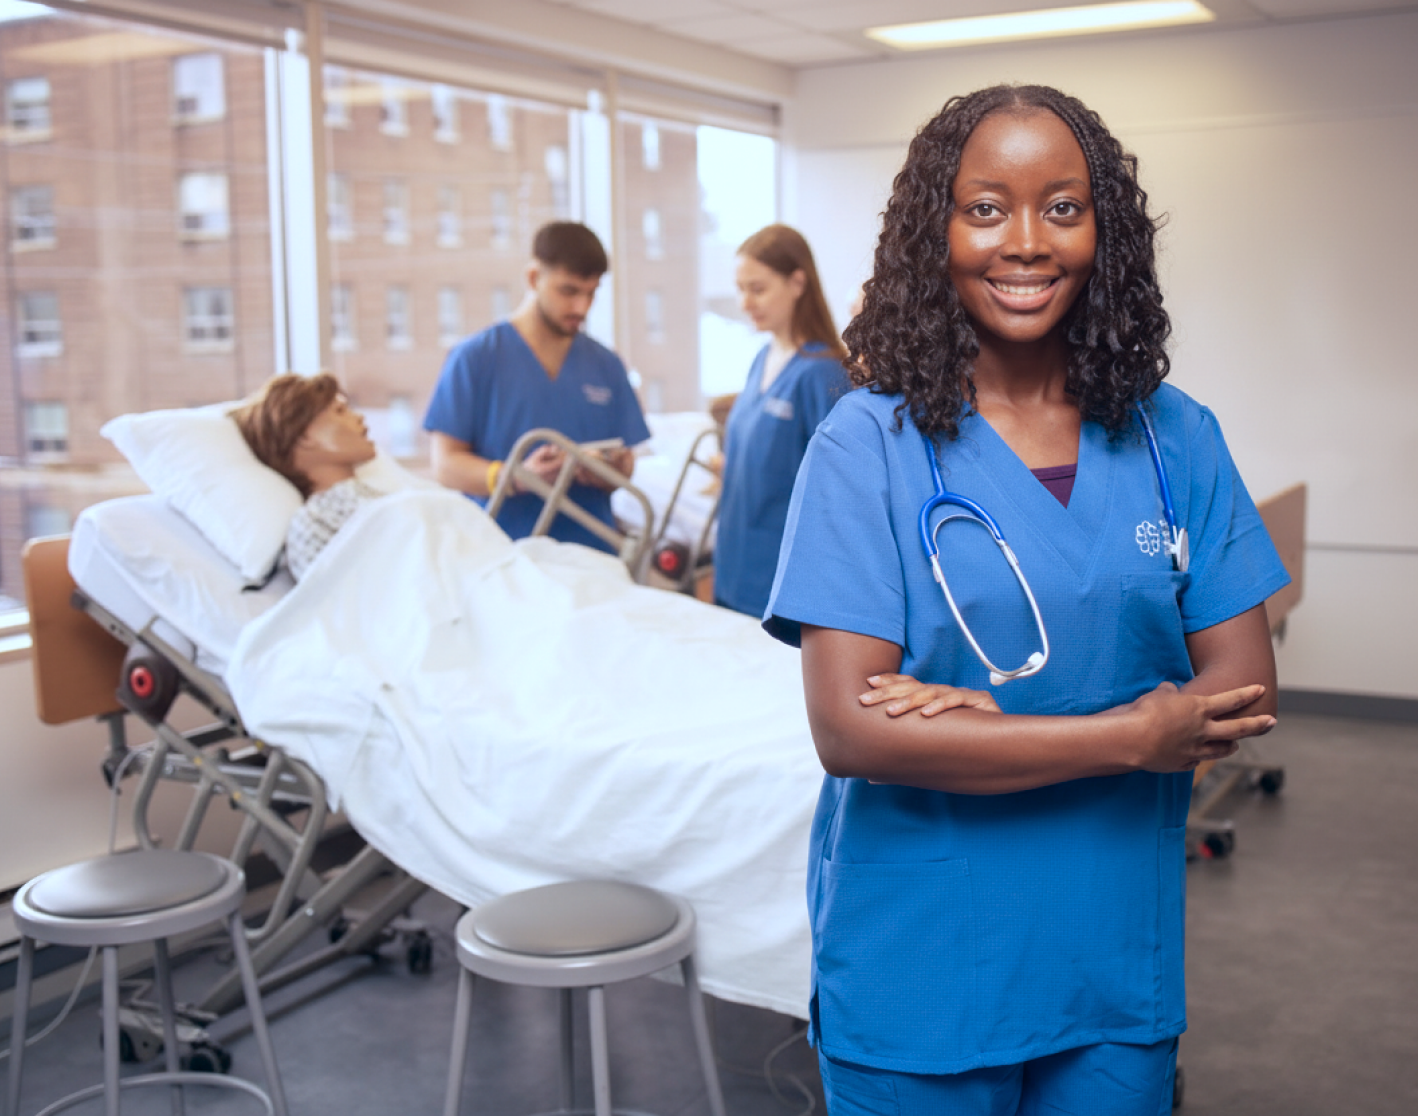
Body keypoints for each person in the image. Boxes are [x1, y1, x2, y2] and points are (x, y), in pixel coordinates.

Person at [764, 85, 1290, 1115]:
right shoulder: (863, 446)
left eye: (1060, 206)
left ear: (1104, 231)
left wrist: (986, 716)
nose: (1024, 242)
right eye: (983, 208)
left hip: (1108, 963)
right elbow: (850, 730)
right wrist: (1130, 732)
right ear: (935, 231)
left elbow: (1240, 687)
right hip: (920, 963)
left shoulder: (1170, 436)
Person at [423, 221, 650, 553]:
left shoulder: (606, 365)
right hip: (502, 554)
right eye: (569, 291)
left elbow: (627, 463)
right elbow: (445, 464)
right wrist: (515, 477)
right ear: (533, 278)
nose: (581, 308)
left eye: (591, 293)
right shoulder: (476, 358)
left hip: (592, 558)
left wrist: (610, 471)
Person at [713, 225, 850, 617]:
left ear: (796, 282)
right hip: (734, 568)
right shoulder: (761, 360)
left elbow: (836, 493)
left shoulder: (823, 374)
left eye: (757, 289)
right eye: (740, 288)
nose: (744, 302)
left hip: (778, 581)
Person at [234, 372, 379, 580]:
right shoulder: (313, 523)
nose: (359, 417)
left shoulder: (383, 497)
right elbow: (342, 601)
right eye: (340, 411)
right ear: (304, 436)